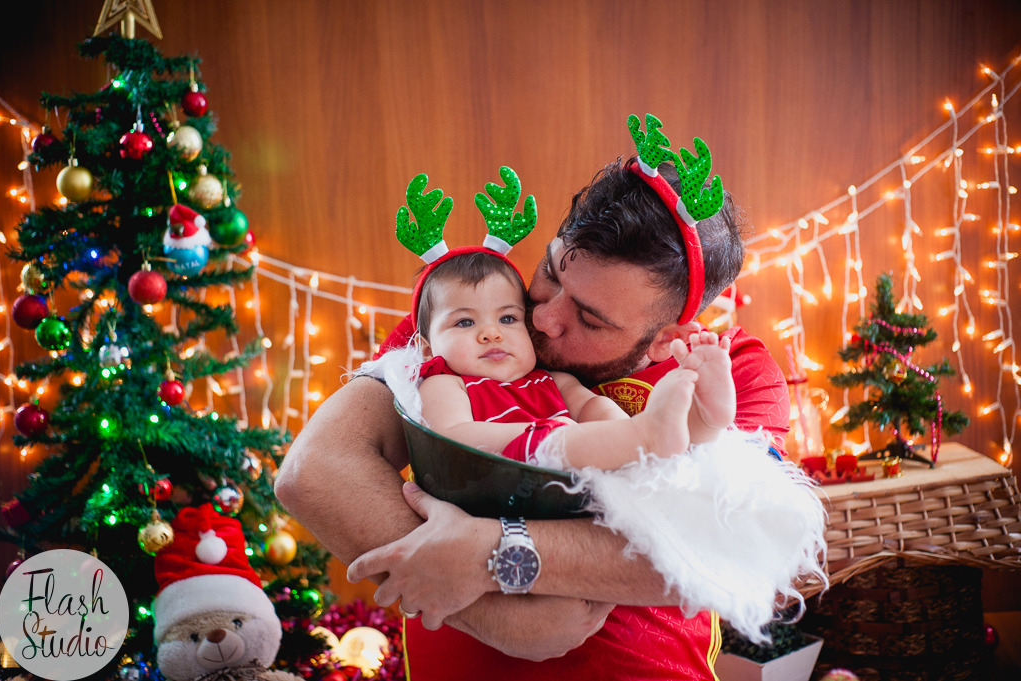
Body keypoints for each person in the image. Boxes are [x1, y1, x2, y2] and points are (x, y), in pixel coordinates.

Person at [275, 120, 809, 679]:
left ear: (665, 341)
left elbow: (732, 542)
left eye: (590, 319)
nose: (543, 319)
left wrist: (492, 552)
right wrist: (494, 611)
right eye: (551, 273)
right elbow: (314, 471)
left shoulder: (729, 373)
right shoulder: (473, 328)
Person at [410, 248, 737, 469]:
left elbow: (592, 407)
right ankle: (647, 440)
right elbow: (448, 442)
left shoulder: (550, 379)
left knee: (645, 454)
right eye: (465, 323)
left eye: (508, 319)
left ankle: (702, 424)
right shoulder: (446, 384)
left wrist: (623, 430)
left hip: (571, 489)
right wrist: (552, 438)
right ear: (426, 348)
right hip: (494, 482)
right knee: (629, 443)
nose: (490, 334)